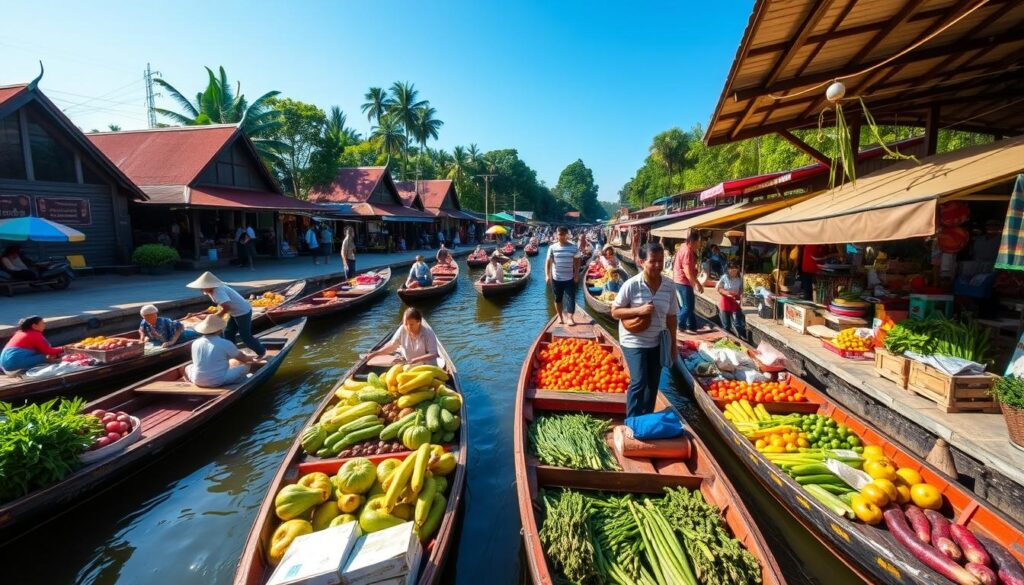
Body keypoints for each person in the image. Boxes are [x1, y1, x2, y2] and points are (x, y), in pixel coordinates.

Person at [611, 242, 679, 418]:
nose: (657, 265)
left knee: (653, 383)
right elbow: (615, 311)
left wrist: (673, 346)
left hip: (657, 341)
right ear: (642, 262)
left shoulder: (670, 286)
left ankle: (646, 418)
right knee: (639, 380)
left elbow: (672, 318)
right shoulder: (632, 285)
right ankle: (632, 421)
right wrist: (638, 310)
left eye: (661, 261)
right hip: (633, 341)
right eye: (653, 261)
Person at [186, 272, 265, 358]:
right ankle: (231, 352)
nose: (201, 289)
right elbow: (222, 305)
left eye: (203, 287)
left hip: (243, 312)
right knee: (228, 332)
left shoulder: (218, 291)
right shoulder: (210, 291)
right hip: (234, 312)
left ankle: (261, 351)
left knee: (245, 336)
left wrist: (215, 317)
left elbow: (227, 307)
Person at [184, 314, 255, 388]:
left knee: (188, 367)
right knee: (246, 366)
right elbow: (243, 358)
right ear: (220, 330)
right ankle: (239, 381)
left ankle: (191, 384)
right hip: (217, 380)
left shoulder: (195, 342)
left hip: (197, 380)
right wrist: (251, 358)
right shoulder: (225, 343)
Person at [368, 308, 439, 365]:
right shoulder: (402, 329)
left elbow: (433, 353)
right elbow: (392, 346)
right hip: (410, 364)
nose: (408, 327)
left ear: (418, 322)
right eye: (406, 324)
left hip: (426, 365)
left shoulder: (428, 332)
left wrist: (416, 359)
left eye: (411, 324)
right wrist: (375, 354)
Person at [545, 226, 581, 326]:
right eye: (559, 234)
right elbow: (548, 262)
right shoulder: (552, 248)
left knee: (571, 298)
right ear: (556, 235)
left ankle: (570, 318)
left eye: (563, 234)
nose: (561, 237)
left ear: (567, 235)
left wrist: (576, 274)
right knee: (558, 298)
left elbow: (577, 260)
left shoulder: (573, 247)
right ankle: (560, 316)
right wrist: (547, 275)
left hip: (569, 278)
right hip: (556, 278)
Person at [673, 231, 705, 334]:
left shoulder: (683, 246)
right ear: (692, 241)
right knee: (688, 306)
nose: (700, 244)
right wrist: (697, 284)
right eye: (698, 242)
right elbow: (687, 272)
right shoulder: (687, 251)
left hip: (679, 280)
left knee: (687, 305)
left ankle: (692, 325)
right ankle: (679, 324)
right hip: (683, 281)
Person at [716, 262, 746, 338]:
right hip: (725, 300)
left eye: (735, 270)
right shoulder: (724, 277)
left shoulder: (740, 278)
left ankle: (740, 336)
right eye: (731, 270)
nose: (733, 271)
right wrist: (726, 293)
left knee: (738, 322)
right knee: (726, 325)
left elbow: (741, 290)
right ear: (728, 270)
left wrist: (740, 297)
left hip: (734, 300)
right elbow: (719, 288)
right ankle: (725, 337)